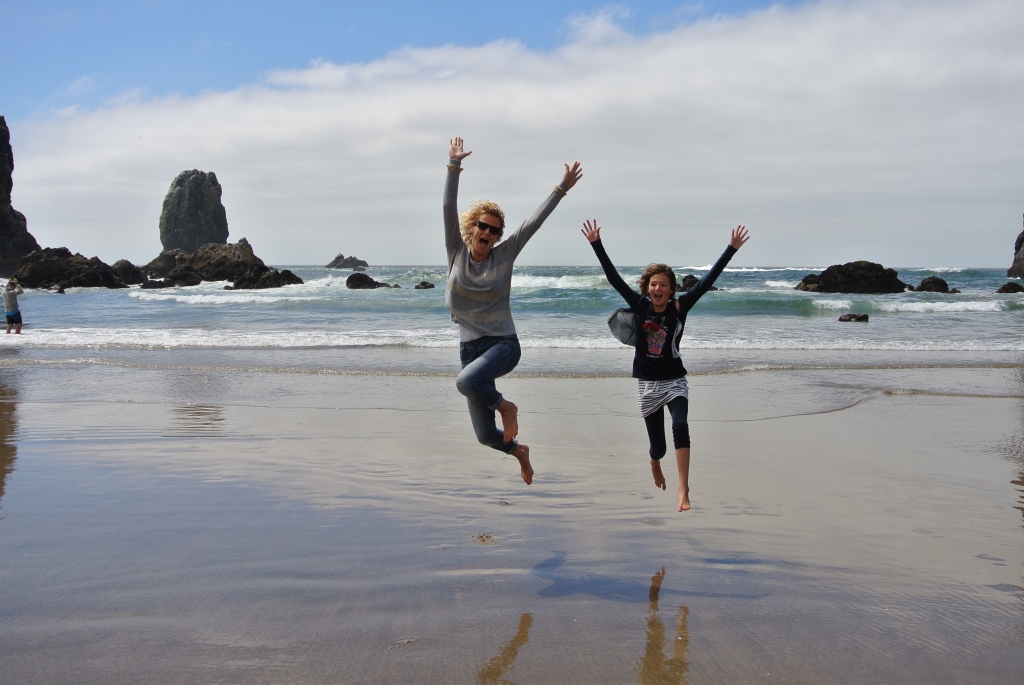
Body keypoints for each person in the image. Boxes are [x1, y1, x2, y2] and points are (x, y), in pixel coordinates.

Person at [581, 219, 749, 511]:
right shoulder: (640, 306)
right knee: (658, 446)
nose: (658, 288)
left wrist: (730, 250)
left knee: (681, 426)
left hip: (675, 382)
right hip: (647, 385)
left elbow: (708, 281)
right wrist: (597, 244)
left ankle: (683, 488)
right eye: (653, 284)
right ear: (648, 288)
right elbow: (614, 279)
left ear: (671, 290)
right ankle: (654, 462)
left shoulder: (680, 308)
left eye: (664, 285)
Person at [444, 136, 582, 485]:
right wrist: (454, 166)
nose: (487, 232)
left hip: (503, 345)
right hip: (469, 350)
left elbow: (532, 224)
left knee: (466, 382)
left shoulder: (503, 256)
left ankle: (508, 407)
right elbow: (447, 207)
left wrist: (560, 189)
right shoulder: (456, 252)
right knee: (485, 437)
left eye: (494, 229)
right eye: (482, 225)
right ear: (471, 227)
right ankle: (519, 451)